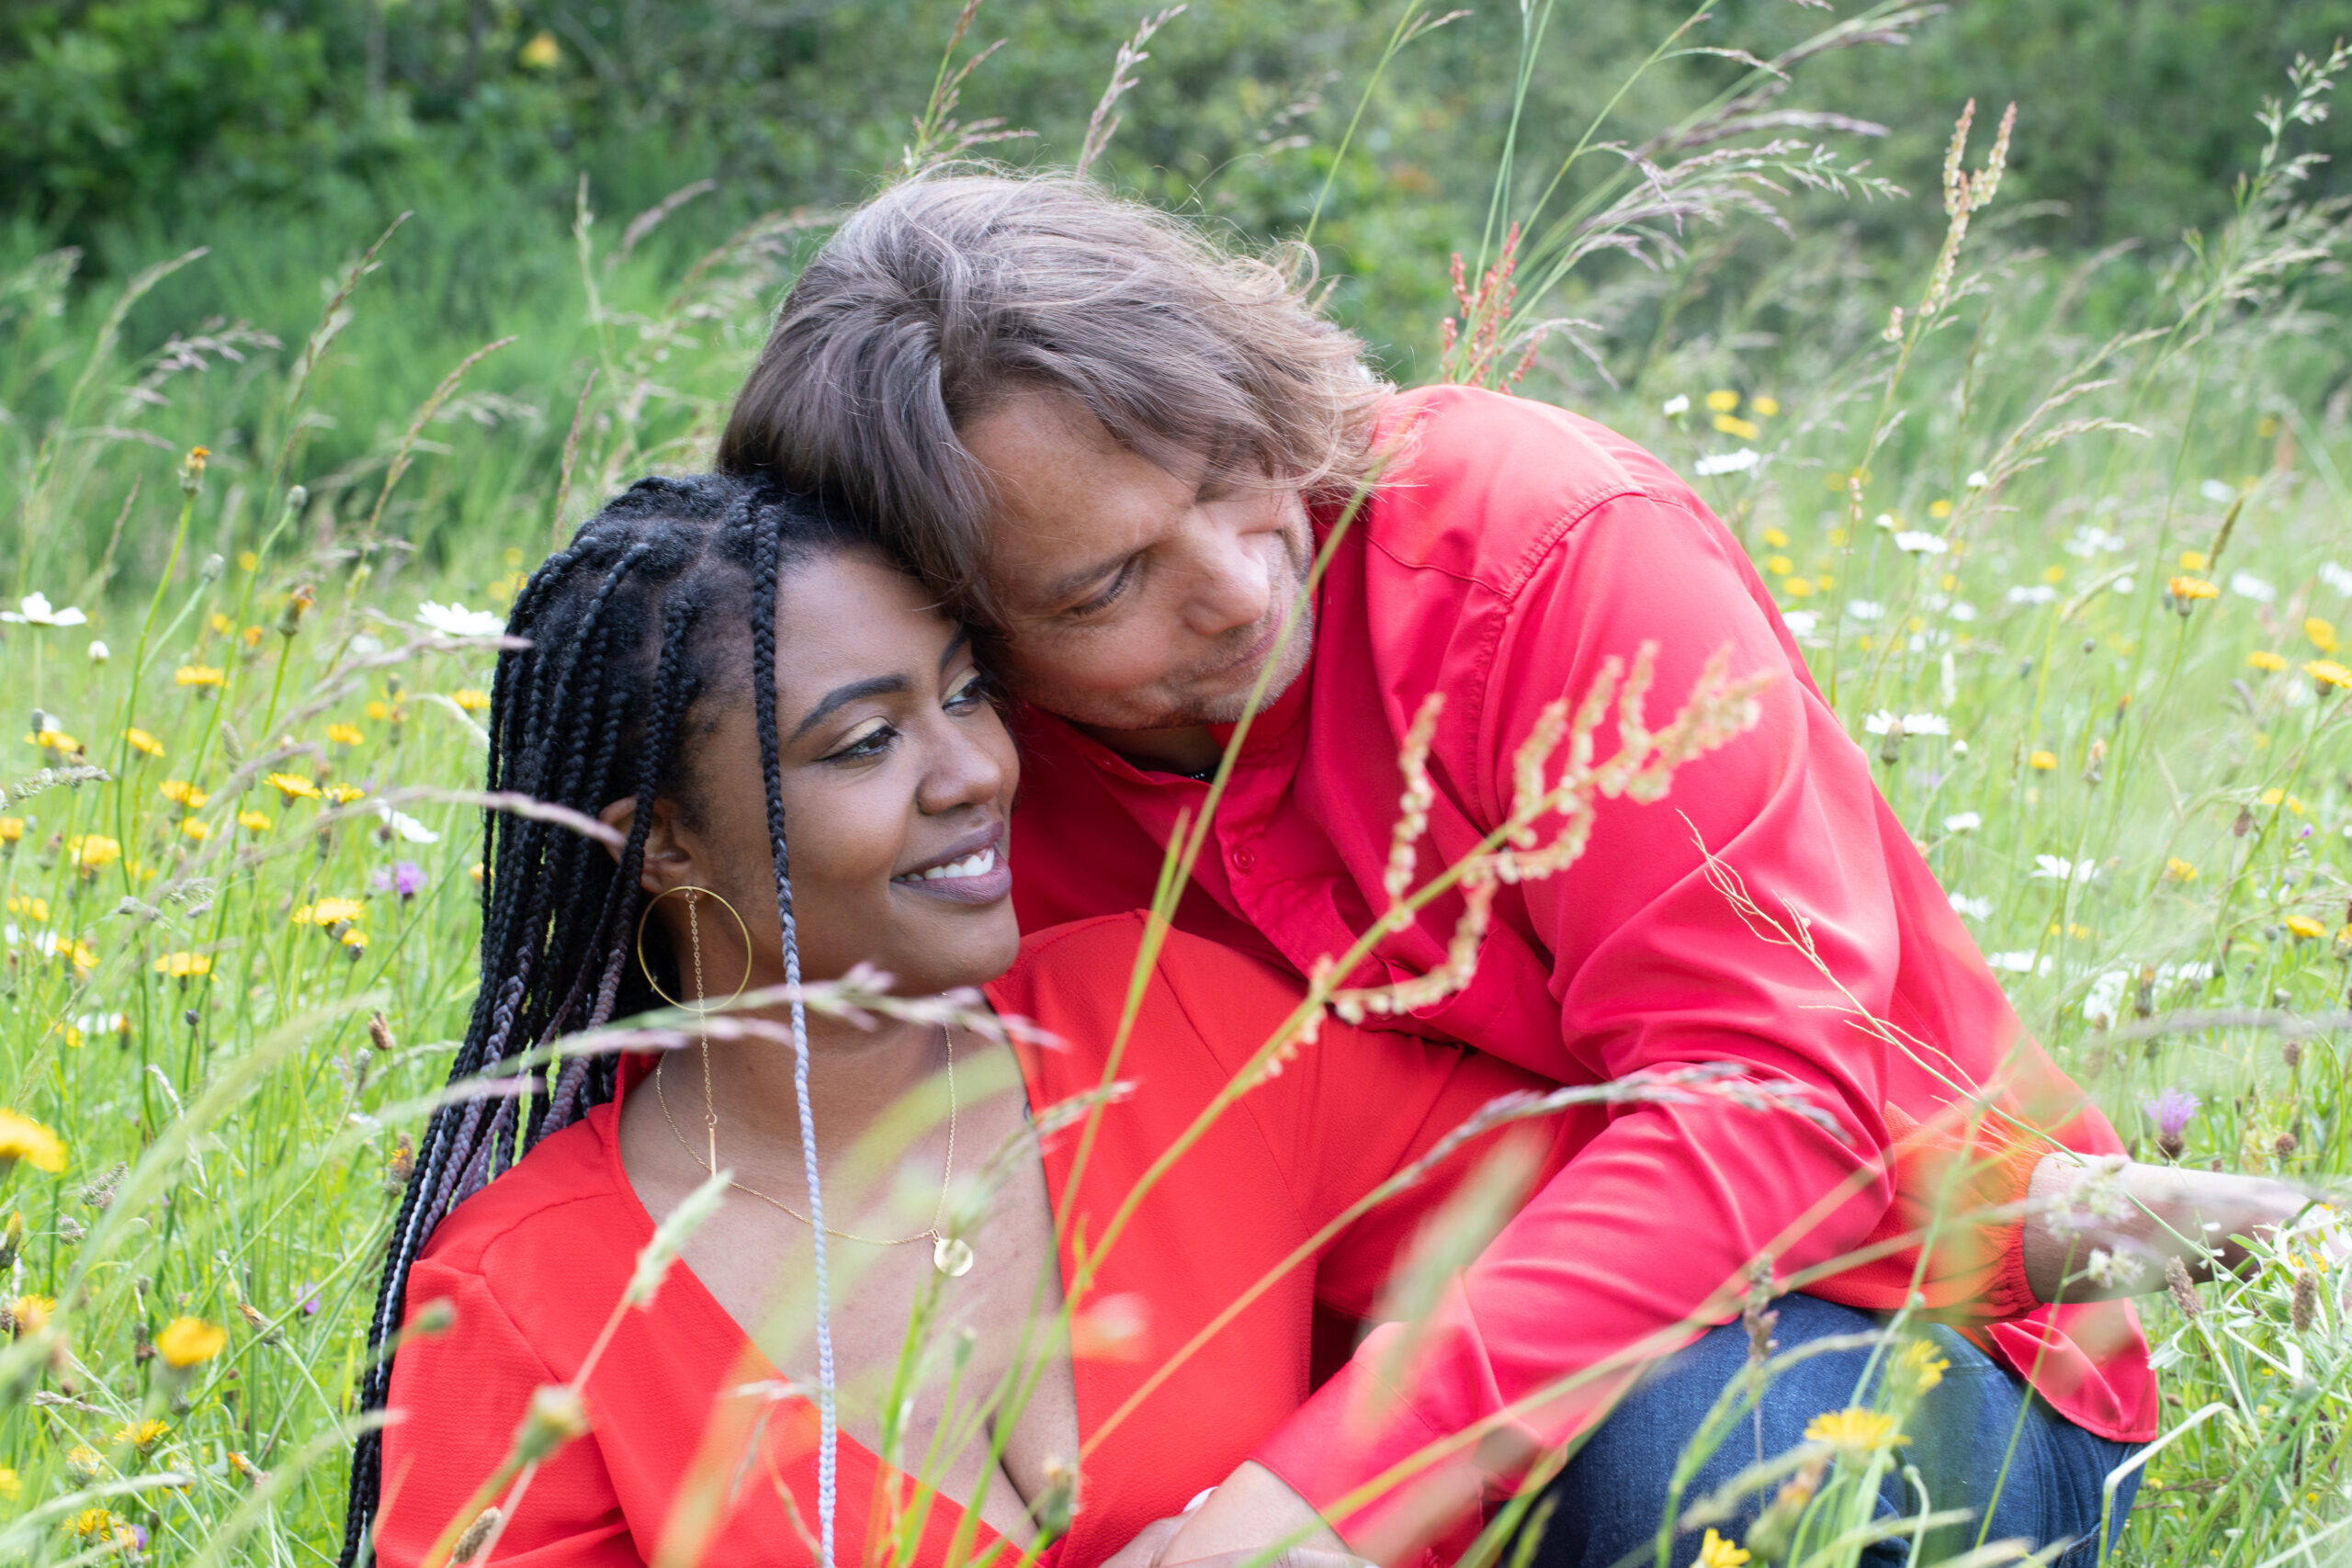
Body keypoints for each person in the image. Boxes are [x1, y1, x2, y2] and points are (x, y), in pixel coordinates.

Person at [714, 171, 2314, 1566]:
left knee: (1698, 1450)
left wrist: (1320, 1502)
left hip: (1875, 1348)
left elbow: (1759, 1109)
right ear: (950, 634)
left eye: (1224, 472)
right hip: (1323, 1412)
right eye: (1102, 587)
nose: (1238, 586)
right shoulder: (948, 789)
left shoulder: (1542, 542)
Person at [344, 472, 1625, 1568]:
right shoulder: (528, 1302)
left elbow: (1620, 1238)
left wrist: (1322, 1503)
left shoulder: (1165, 1023)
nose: (976, 773)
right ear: (666, 845)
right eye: (866, 743)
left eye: (964, 696)